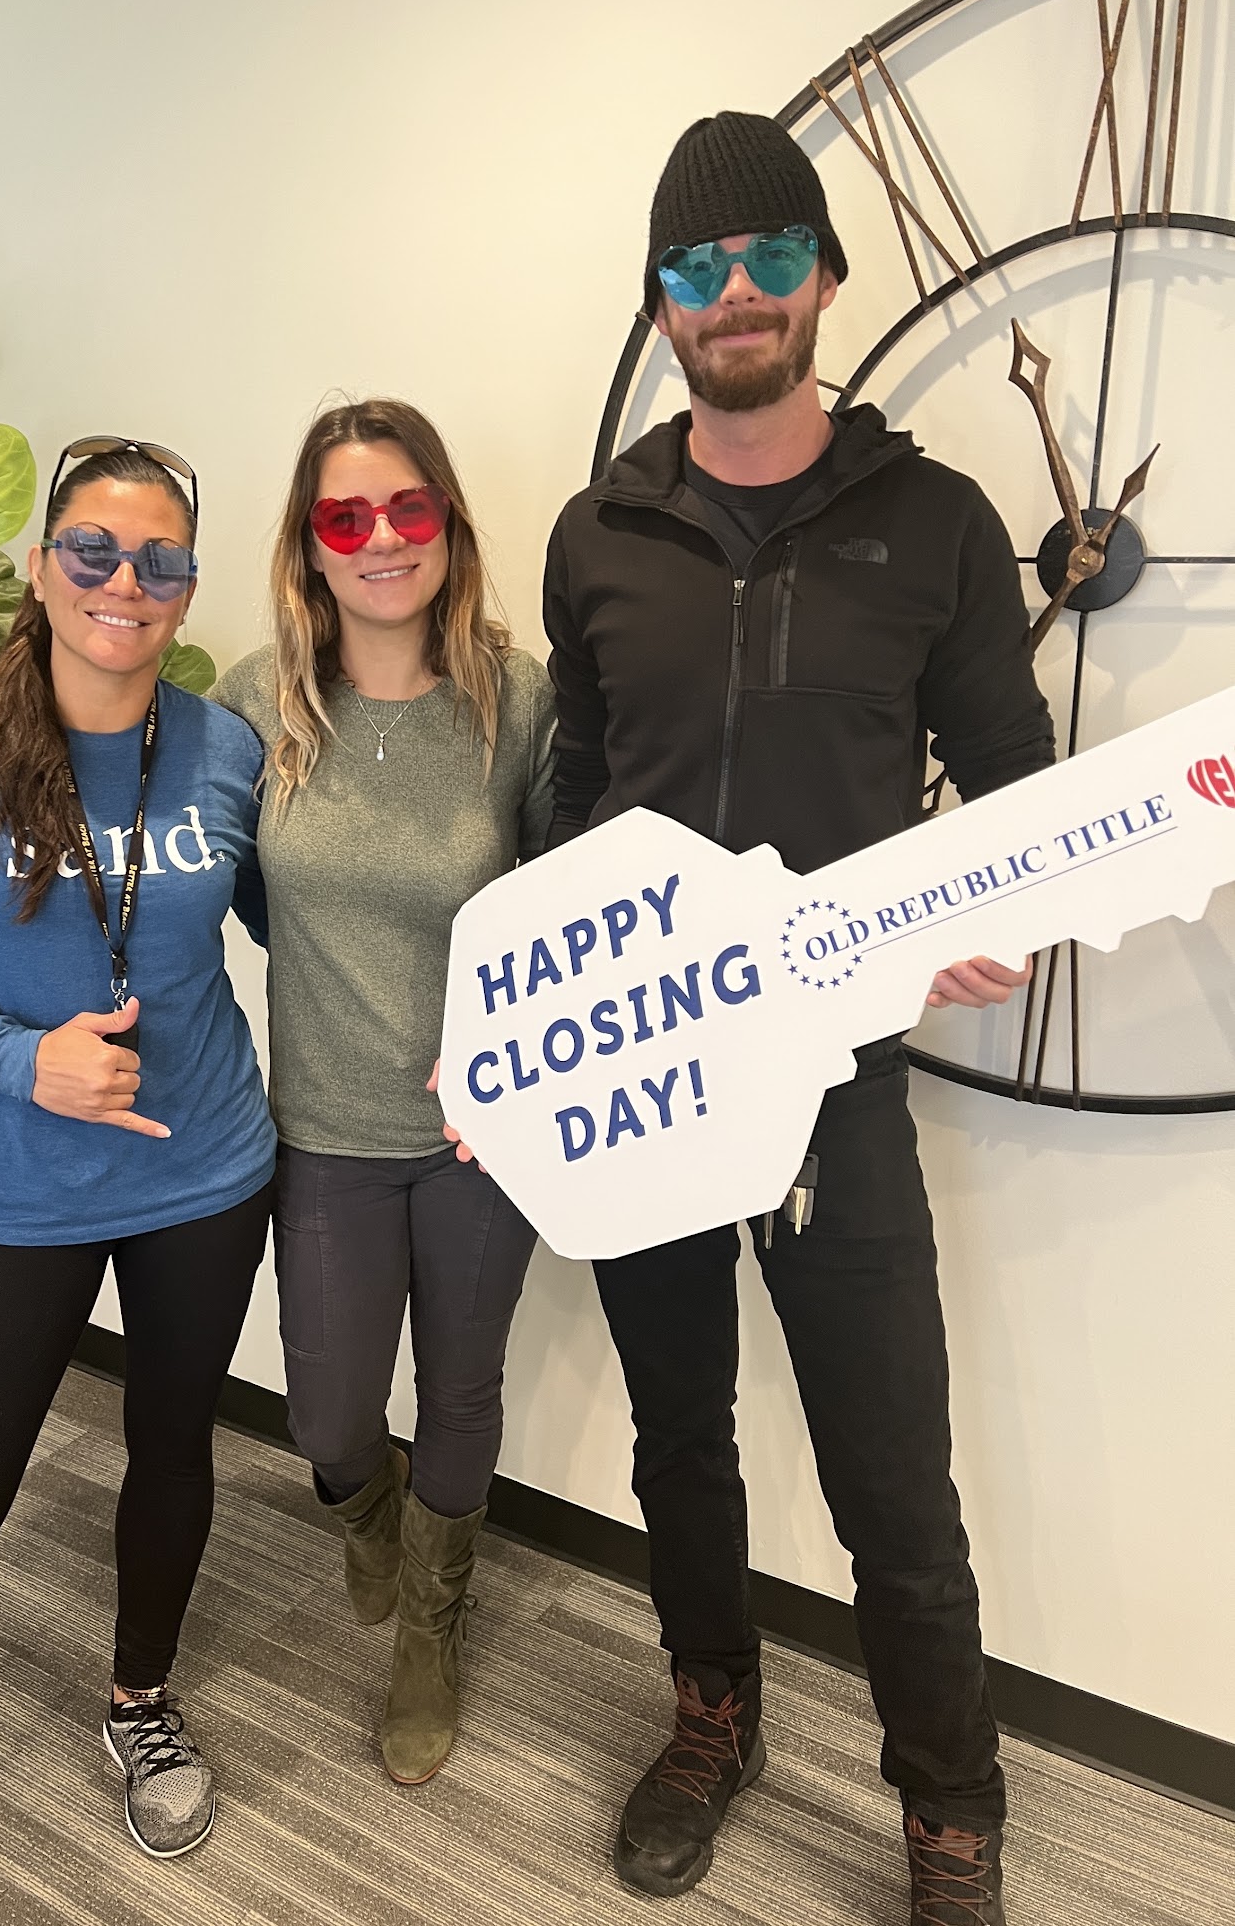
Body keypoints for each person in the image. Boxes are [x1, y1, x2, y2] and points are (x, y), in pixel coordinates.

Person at [533, 113, 1054, 1920]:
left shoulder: (937, 521)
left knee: (890, 1477)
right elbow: (575, 800)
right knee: (679, 1437)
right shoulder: (597, 531)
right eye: (697, 265)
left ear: (824, 275)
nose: (735, 291)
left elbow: (1009, 783)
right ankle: (712, 1715)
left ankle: (951, 1809)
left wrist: (988, 914)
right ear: (659, 302)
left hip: (835, 1085)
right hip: (649, 1075)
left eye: (768, 256)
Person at [0, 398, 555, 1790]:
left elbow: (575, 900)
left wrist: (522, 1040)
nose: (380, 539)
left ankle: (427, 1630)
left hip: (470, 1128)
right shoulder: (259, 707)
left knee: (458, 1391)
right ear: (306, 544)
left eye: (409, 509)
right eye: (343, 516)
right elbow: (114, 740)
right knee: (326, 1420)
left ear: (450, 524)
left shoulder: (518, 701)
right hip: (311, 1128)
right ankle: (372, 1520)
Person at [0, 440, 276, 1876]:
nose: (122, 582)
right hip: (21, 1187)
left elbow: (312, 919)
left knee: (172, 1453)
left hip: (208, 1172)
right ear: (39, 567)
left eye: (158, 560)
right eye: (90, 549)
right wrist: (27, 1062)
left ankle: (140, 1700)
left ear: (187, 589)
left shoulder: (225, 746)